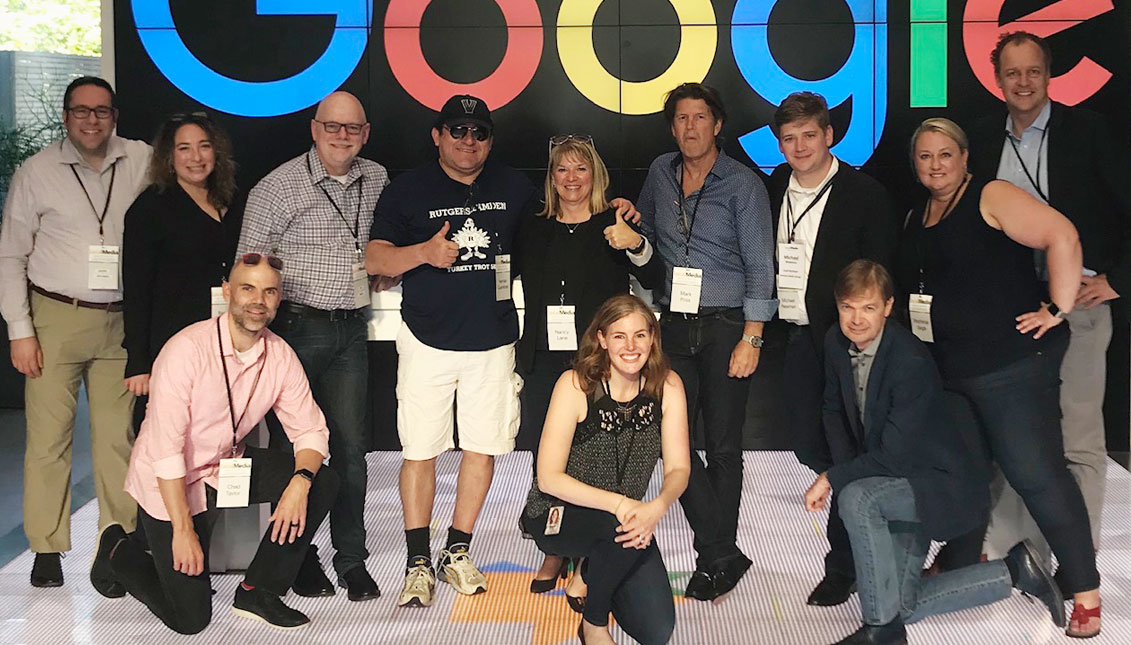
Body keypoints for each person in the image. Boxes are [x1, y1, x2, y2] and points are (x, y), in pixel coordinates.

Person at [894, 117, 1101, 638]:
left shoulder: (991, 195)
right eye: (925, 156)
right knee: (965, 476)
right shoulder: (918, 213)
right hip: (952, 374)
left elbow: (1062, 234)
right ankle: (962, 561)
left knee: (1037, 475)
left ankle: (1084, 589)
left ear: (965, 157)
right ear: (915, 164)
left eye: (945, 154)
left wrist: (1057, 306)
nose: (935, 164)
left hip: (1009, 370)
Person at [806, 259, 1064, 645]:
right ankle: (1014, 571)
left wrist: (835, 477)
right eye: (848, 307)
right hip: (892, 477)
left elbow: (897, 457)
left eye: (868, 307)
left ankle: (881, 633)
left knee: (858, 498)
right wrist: (846, 467)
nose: (856, 319)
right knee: (900, 604)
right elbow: (832, 410)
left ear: (889, 307)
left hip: (935, 481)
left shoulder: (907, 360)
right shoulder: (835, 342)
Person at [366, 94, 539, 608]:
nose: (469, 141)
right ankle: (417, 559)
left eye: (479, 132)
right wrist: (424, 252)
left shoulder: (514, 187)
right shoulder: (408, 189)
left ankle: (456, 551)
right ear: (437, 135)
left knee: (482, 447)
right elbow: (375, 256)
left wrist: (617, 209)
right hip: (427, 338)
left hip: (493, 339)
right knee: (420, 449)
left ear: (490, 139)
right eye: (458, 131)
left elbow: (559, 223)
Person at [967, 31, 1131, 565]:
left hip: (1080, 307)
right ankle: (1011, 551)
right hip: (1012, 312)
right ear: (997, 78)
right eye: (1012, 72)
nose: (1022, 82)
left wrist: (1118, 280)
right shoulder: (981, 138)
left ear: (1049, 74)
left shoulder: (1088, 132)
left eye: (1032, 71)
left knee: (1078, 441)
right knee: (1014, 439)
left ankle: (1074, 562)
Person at [110, 253, 339, 634]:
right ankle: (119, 552)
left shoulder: (280, 355)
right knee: (190, 620)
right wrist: (183, 531)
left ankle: (257, 590)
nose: (258, 300)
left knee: (322, 480)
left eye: (269, 292)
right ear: (227, 292)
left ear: (279, 299)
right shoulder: (186, 349)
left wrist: (300, 482)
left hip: (223, 466)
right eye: (247, 289)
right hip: (169, 482)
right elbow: (166, 452)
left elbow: (311, 431)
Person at [0, 76, 151, 594]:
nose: (92, 121)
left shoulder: (142, 159)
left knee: (117, 440)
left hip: (120, 322)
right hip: (55, 317)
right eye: (82, 112)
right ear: (66, 117)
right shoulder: (36, 173)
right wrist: (20, 330)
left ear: (115, 117)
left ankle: (117, 546)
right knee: (48, 441)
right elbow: (11, 255)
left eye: (102, 112)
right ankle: (46, 547)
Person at [239, 91, 388, 600]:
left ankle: (352, 560)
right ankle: (299, 560)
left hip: (352, 331)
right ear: (314, 128)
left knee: (351, 449)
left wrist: (382, 274)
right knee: (292, 453)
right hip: (295, 333)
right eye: (332, 126)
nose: (342, 136)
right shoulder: (277, 188)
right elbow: (247, 267)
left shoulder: (378, 178)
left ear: (365, 133)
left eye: (352, 128)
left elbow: (377, 248)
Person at [637, 82, 776, 601]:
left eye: (699, 117)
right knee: (666, 439)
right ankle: (722, 552)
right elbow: (648, 236)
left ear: (717, 124)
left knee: (722, 445)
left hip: (725, 327)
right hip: (673, 323)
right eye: (680, 118)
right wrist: (632, 225)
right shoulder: (659, 172)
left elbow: (761, 265)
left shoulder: (742, 184)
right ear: (671, 126)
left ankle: (712, 556)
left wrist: (753, 337)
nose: (689, 127)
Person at [765, 91, 898, 607]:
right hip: (796, 341)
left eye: (808, 135)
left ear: (830, 136)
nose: (798, 146)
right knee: (812, 447)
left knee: (851, 453)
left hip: (847, 344)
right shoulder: (774, 185)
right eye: (789, 137)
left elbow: (882, 271)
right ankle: (853, 551)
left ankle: (845, 566)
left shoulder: (864, 193)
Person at [515, 135, 662, 599]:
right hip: (544, 358)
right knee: (549, 457)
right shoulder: (534, 226)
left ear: (595, 174)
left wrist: (635, 241)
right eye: (563, 170)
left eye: (581, 169)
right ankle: (553, 546)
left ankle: (590, 546)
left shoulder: (614, 223)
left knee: (598, 456)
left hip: (601, 362)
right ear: (551, 178)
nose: (572, 178)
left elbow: (655, 276)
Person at [522, 293, 690, 645]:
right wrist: (620, 505)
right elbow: (548, 477)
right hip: (559, 511)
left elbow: (679, 469)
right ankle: (594, 625)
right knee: (620, 528)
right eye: (619, 336)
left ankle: (589, 570)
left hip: (625, 521)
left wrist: (654, 509)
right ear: (601, 339)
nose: (631, 346)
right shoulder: (575, 385)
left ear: (652, 338)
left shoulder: (668, 386)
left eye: (640, 335)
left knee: (656, 631)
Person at [122, 111, 245, 433]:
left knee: (219, 435)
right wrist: (138, 363)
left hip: (225, 340)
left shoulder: (231, 199)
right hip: (172, 344)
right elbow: (136, 290)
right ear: (168, 156)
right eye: (184, 148)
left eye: (204, 146)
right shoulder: (149, 210)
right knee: (171, 438)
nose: (196, 157)